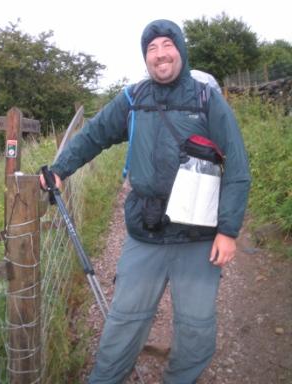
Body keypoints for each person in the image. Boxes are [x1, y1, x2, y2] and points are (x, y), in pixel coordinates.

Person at [40, 19, 251, 384]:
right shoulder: (133, 99)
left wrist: (228, 230)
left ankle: (180, 378)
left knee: (196, 325)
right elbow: (94, 134)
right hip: (145, 230)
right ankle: (105, 378)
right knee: (125, 319)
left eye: (166, 44)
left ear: (180, 50)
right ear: (146, 58)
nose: (159, 53)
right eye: (151, 48)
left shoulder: (206, 99)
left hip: (198, 236)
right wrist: (60, 169)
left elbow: (237, 164)